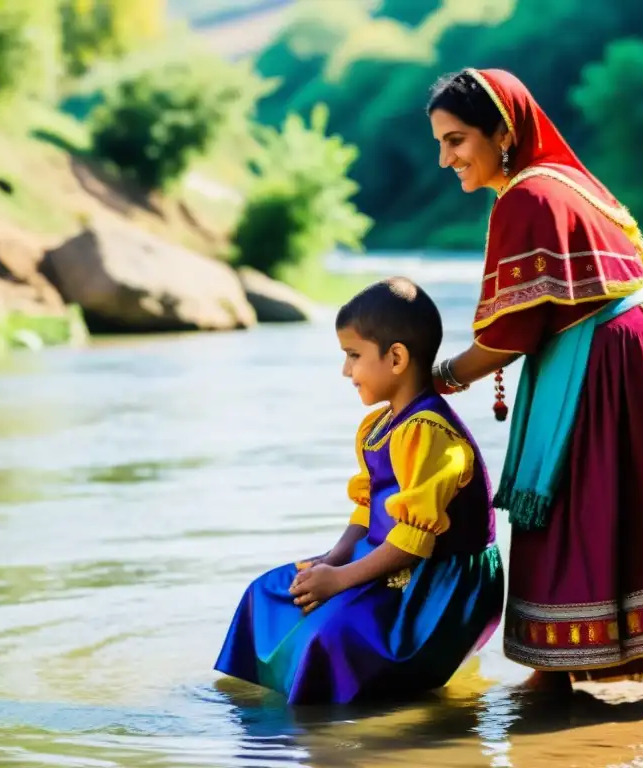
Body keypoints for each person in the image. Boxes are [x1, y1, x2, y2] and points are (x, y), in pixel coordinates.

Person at [425, 68, 643, 690]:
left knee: (572, 501)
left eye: (457, 140)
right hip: (639, 349)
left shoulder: (527, 196)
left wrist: (437, 376)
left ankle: (556, 672)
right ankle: (577, 665)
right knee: (608, 501)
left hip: (607, 362)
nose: (446, 158)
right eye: (440, 143)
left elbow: (511, 334)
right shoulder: (561, 182)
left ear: (502, 132)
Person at [214, 277, 505, 705]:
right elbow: (368, 509)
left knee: (329, 637)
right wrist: (333, 558)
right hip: (384, 555)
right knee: (268, 592)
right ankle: (255, 713)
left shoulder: (429, 434)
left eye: (353, 356)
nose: (346, 371)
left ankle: (312, 729)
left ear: (397, 358)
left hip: (439, 582)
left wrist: (341, 580)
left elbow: (413, 542)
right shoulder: (379, 426)